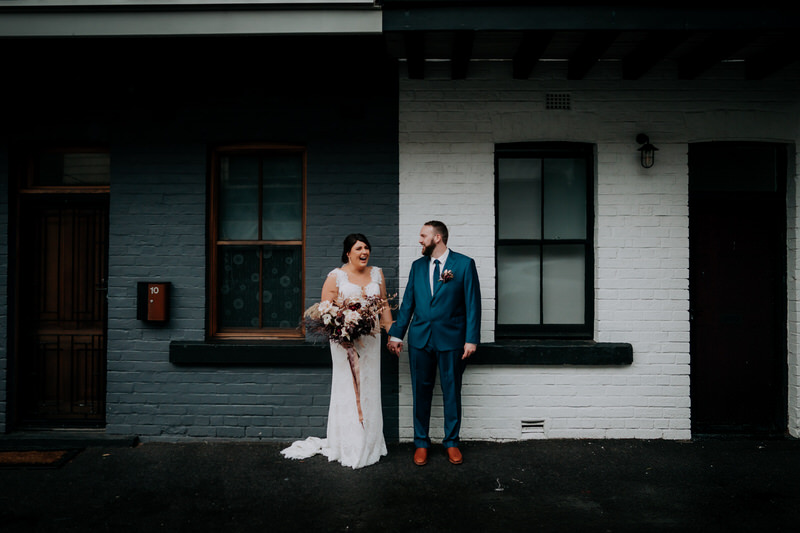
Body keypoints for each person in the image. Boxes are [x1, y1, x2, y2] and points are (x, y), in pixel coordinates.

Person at [281, 233, 393, 469]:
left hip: (372, 341)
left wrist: (391, 332)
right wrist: (343, 330)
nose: (365, 252)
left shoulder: (377, 274)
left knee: (370, 386)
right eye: (359, 248)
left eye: (367, 248)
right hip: (345, 343)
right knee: (348, 389)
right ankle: (349, 443)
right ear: (348, 253)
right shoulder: (336, 276)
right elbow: (326, 312)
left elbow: (383, 304)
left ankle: (370, 441)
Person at [387, 221, 481, 466]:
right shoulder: (417, 267)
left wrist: (471, 339)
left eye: (423, 235)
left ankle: (451, 442)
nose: (420, 239)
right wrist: (397, 335)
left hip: (452, 340)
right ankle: (421, 442)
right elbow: (408, 303)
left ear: (437, 237)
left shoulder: (463, 264)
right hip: (420, 339)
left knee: (451, 391)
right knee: (421, 392)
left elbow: (472, 304)